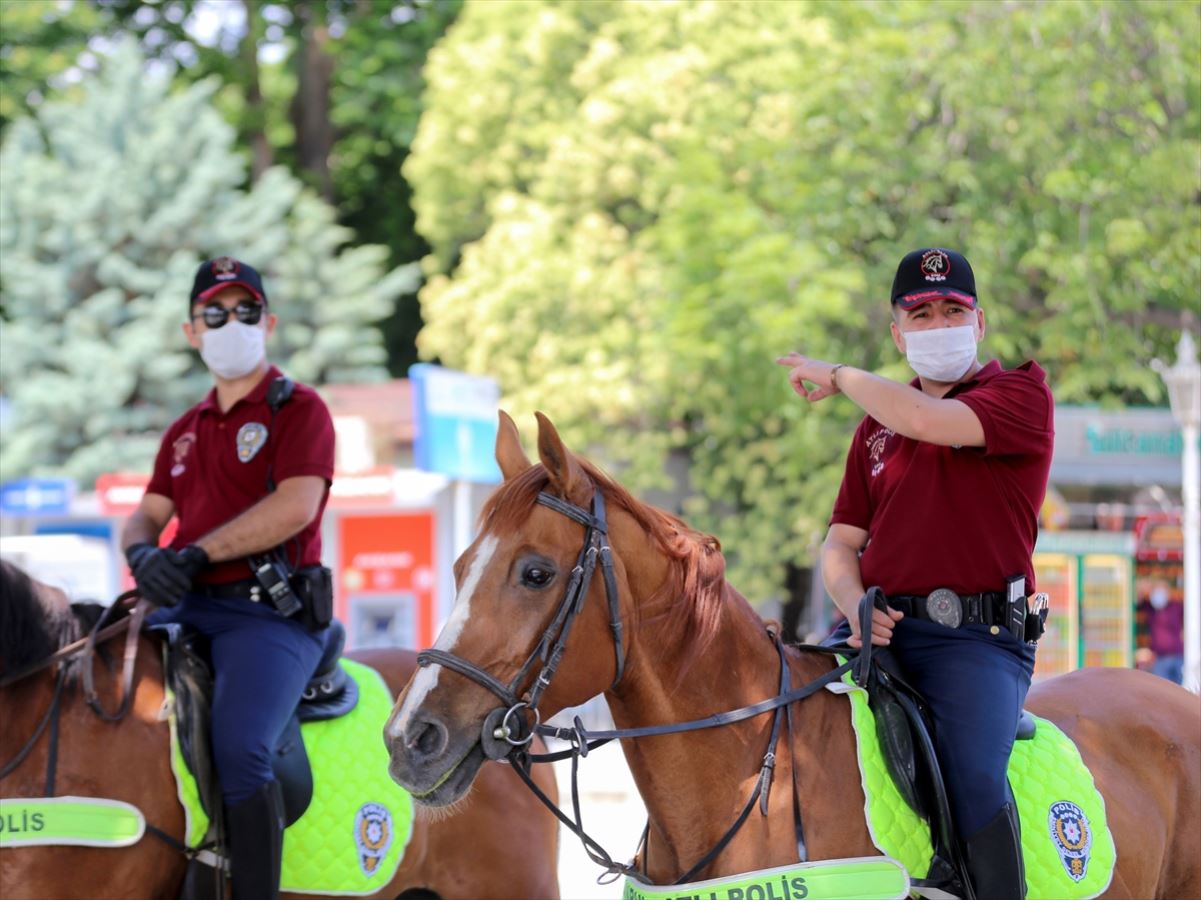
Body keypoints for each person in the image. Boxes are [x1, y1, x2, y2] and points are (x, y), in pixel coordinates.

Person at [777, 247, 1054, 900]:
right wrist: (855, 604)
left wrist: (839, 373)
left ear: (978, 322)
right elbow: (840, 545)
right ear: (898, 334)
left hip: (976, 645)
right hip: (875, 635)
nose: (937, 326)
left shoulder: (1018, 396)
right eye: (920, 314)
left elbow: (925, 420)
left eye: (951, 311)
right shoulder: (873, 434)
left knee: (972, 782)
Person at [121, 257, 336, 900]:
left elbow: (297, 504)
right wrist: (141, 556)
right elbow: (146, 514)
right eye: (215, 314)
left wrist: (195, 551)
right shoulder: (184, 432)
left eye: (245, 312)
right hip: (185, 606)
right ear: (193, 331)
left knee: (242, 749)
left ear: (267, 323)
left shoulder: (299, 409)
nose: (230, 324)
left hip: (268, 615)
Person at [1136, 581, 1185, 684]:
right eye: (1157, 591)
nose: (1160, 594)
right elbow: (1136, 600)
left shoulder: (1176, 606)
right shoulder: (1150, 608)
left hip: (1178, 656)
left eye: (1162, 590)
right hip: (1159, 658)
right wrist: (1143, 587)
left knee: (1181, 690)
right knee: (1163, 690)